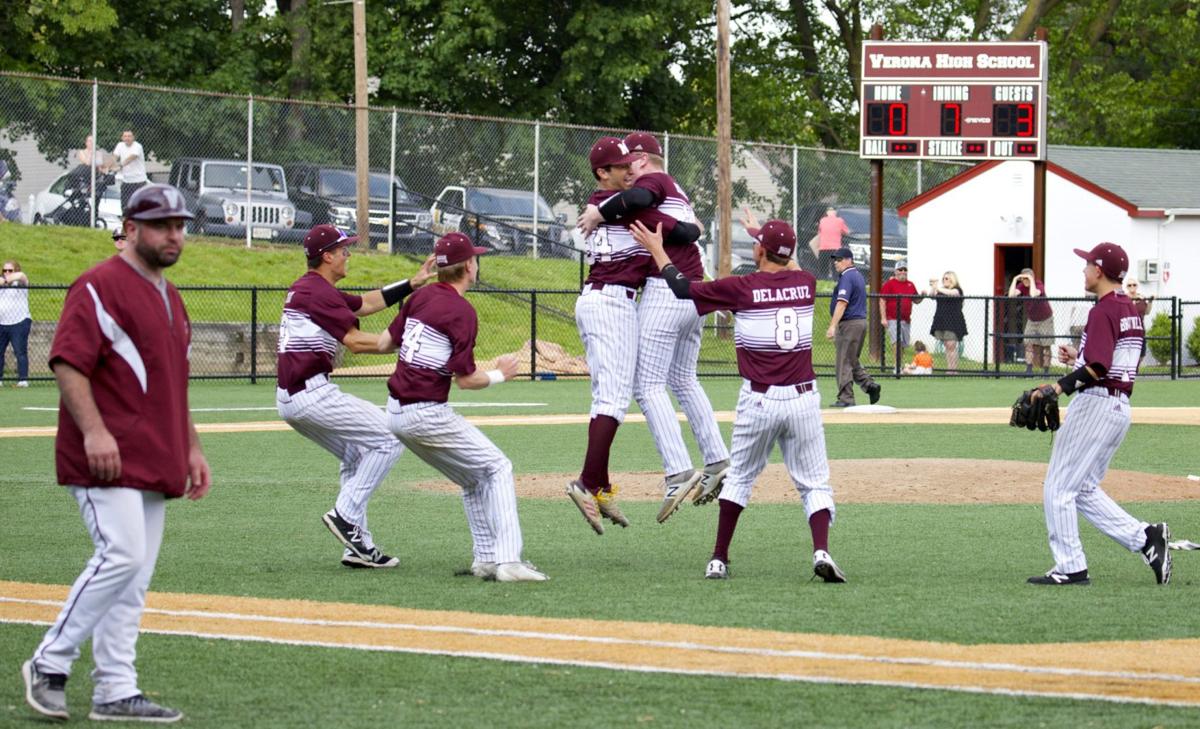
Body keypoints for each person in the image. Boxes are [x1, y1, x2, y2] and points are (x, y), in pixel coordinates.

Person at [21, 184, 210, 723]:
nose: (173, 234)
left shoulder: (170, 296)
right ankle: (49, 663)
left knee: (135, 575)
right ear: (130, 229)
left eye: (179, 225)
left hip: (155, 453)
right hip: (106, 454)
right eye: (160, 225)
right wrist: (94, 432)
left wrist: (191, 448)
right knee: (121, 556)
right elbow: (66, 362)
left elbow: (176, 383)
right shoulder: (98, 285)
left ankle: (115, 688)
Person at [631, 217, 845, 583]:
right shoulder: (806, 283)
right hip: (804, 398)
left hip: (759, 401)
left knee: (740, 480)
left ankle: (718, 558)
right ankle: (821, 551)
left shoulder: (741, 288)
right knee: (815, 485)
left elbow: (682, 289)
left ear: (759, 251)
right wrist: (768, 241)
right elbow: (786, 261)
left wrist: (657, 249)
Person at [576, 132, 728, 523]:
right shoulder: (636, 197)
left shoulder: (640, 191)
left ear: (643, 160)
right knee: (666, 383)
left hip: (656, 292)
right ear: (604, 171)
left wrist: (601, 211)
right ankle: (714, 461)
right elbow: (684, 232)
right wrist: (690, 224)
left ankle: (673, 472)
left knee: (642, 387)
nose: (630, 171)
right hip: (627, 296)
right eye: (622, 166)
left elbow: (654, 213)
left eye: (632, 163)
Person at [379, 232, 547, 582]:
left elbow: (386, 343)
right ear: (469, 266)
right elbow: (466, 380)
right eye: (475, 258)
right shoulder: (460, 310)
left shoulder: (421, 296)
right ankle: (509, 562)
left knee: (473, 478)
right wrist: (501, 375)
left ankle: (486, 559)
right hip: (424, 411)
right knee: (499, 467)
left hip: (395, 413)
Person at [277, 224, 436, 568]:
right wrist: (408, 342)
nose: (348, 254)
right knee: (391, 435)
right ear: (327, 256)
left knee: (356, 454)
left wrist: (412, 282)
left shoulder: (315, 287)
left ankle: (358, 547)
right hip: (310, 392)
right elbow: (354, 342)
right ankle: (345, 515)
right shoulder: (315, 292)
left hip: (294, 395)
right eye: (343, 249)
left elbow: (364, 304)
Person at [1026, 242, 1170, 587]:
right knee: (1084, 488)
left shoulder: (1103, 310)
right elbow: (1114, 360)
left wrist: (1057, 388)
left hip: (1096, 405)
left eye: (1087, 264)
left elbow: (1100, 366)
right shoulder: (1130, 309)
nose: (1084, 269)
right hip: (1118, 408)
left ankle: (1071, 567)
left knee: (1058, 487)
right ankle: (1147, 538)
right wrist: (1079, 356)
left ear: (1100, 271)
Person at [826, 247, 880, 407]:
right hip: (858, 322)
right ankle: (869, 385)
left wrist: (832, 326)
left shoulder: (848, 277)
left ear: (849, 260)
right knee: (850, 358)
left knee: (843, 361)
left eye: (840, 259)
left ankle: (846, 398)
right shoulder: (857, 275)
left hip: (850, 323)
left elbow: (842, 303)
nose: (836, 263)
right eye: (835, 260)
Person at [878, 260, 922, 372]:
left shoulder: (910, 284)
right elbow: (882, 300)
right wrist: (883, 317)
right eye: (900, 269)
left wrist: (923, 295)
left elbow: (916, 300)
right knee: (896, 341)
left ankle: (899, 365)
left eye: (905, 269)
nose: (903, 271)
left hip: (906, 319)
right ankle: (896, 366)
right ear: (895, 271)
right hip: (893, 318)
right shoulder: (889, 284)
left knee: (902, 344)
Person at [1009, 268, 1053, 375]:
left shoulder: (1038, 284)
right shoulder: (1022, 286)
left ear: (1032, 278)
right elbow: (1011, 295)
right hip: (1032, 319)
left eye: (1026, 278)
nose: (1024, 281)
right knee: (1028, 343)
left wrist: (1031, 280)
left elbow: (1033, 294)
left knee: (1046, 345)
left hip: (1045, 319)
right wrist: (1015, 279)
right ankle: (1029, 369)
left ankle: (1046, 370)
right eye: (1023, 278)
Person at [927, 271, 967, 372]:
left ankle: (953, 369)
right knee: (947, 345)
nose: (944, 280)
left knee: (951, 344)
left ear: (952, 280)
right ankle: (950, 368)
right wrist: (933, 286)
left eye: (947, 278)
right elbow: (931, 295)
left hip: (953, 321)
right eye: (943, 278)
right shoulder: (940, 290)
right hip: (941, 321)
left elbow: (952, 294)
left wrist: (937, 287)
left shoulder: (957, 290)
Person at [0, 260, 31, 387]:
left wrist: (6, 280)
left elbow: (21, 276)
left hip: (19, 321)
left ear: (16, 270)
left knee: (20, 352)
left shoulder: (21, 283)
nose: (7, 273)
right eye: (4, 271)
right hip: (2, 323)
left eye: (10, 270)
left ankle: (23, 380)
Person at [111, 130, 148, 212]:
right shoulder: (120, 145)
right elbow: (115, 156)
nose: (127, 138)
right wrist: (110, 165)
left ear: (133, 137)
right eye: (125, 136)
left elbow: (131, 157)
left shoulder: (138, 146)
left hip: (139, 182)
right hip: (126, 181)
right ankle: (125, 223)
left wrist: (120, 165)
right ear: (122, 137)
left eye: (129, 136)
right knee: (125, 207)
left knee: (139, 207)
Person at [811, 207, 850, 279]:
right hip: (835, 249)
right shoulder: (840, 220)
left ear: (827, 213)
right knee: (835, 269)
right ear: (835, 212)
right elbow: (847, 232)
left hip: (823, 248)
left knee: (823, 270)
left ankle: (823, 282)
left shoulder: (822, 220)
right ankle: (835, 282)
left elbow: (819, 232)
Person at [1125, 279, 1155, 360]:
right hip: (1127, 332)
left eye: (1134, 285)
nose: (1132, 287)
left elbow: (1147, 312)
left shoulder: (1142, 298)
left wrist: (1150, 301)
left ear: (1137, 286)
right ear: (1126, 287)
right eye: (1129, 285)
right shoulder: (1123, 299)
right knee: (1127, 356)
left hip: (1140, 332)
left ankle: (1135, 371)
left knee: (1141, 356)